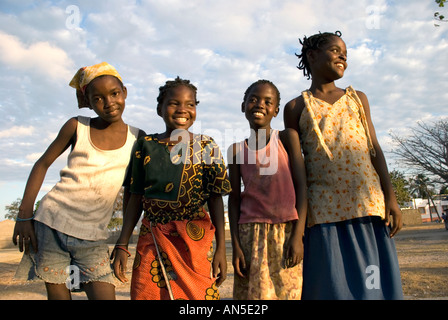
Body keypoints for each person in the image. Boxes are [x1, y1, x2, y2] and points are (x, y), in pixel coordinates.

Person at [284, 31, 404, 299]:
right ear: (312, 55)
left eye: (345, 55)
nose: (343, 57)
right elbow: (298, 171)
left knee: (373, 286)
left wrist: (391, 198)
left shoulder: (357, 98)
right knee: (332, 286)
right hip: (323, 211)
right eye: (336, 51)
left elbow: (374, 149)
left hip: (367, 206)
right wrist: (299, 225)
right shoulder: (295, 107)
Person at [12, 62, 145, 300]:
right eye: (98, 98)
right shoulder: (77, 126)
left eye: (114, 93)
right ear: (89, 102)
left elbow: (132, 192)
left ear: (124, 92)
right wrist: (24, 214)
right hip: (51, 224)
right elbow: (42, 164)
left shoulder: (138, 138)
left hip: (93, 236)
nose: (109, 102)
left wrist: (123, 242)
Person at [112, 76, 231, 300]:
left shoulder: (207, 146)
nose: (182, 109)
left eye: (190, 104)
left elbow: (216, 198)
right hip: (152, 238)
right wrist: (122, 244)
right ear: (160, 108)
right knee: (147, 293)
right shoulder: (145, 145)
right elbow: (135, 197)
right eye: (174, 103)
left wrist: (221, 250)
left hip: (194, 240)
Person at [227, 80, 307, 300]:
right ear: (243, 106)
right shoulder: (236, 151)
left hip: (285, 232)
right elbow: (233, 200)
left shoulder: (286, 138)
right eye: (253, 99)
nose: (259, 104)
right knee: (255, 297)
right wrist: (236, 247)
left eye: (267, 102)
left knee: (288, 293)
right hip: (249, 235)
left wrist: (298, 236)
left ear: (276, 110)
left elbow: (302, 187)